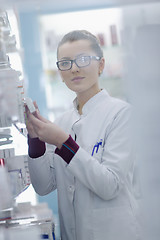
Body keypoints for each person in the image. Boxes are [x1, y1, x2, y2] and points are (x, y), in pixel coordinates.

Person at [25, 30, 140, 240]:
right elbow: (43, 186)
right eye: (65, 63)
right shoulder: (61, 123)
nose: (74, 68)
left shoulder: (121, 114)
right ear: (60, 72)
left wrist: (63, 143)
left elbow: (110, 186)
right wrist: (35, 140)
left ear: (101, 65)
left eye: (83, 59)